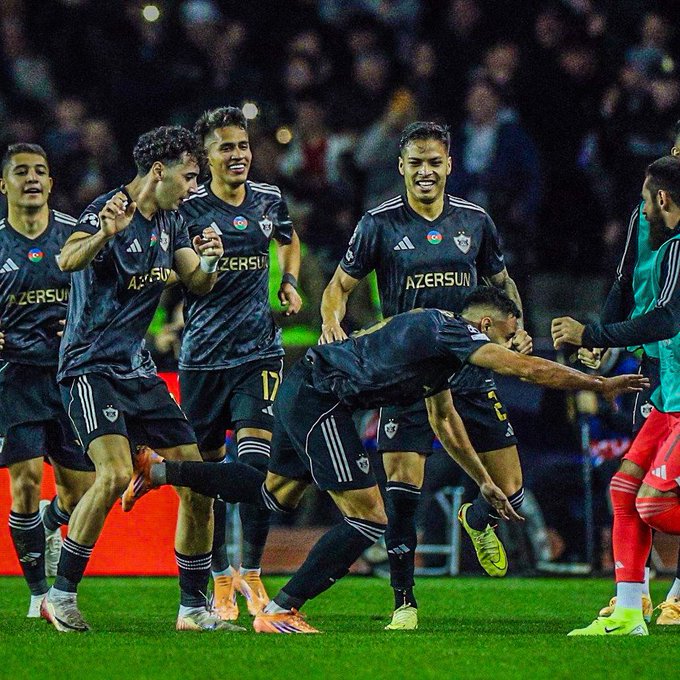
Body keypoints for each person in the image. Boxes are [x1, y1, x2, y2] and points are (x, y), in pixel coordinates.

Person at [123, 286, 647, 634]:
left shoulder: (436, 351)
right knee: (370, 517)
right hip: (321, 399)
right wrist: (598, 384)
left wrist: (484, 481)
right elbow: (526, 370)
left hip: (308, 390)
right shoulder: (453, 330)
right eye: (508, 334)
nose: (511, 345)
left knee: (271, 493)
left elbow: (445, 423)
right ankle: (282, 609)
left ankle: (158, 470)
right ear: (487, 323)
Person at [320, 121, 530, 630]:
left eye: (434, 162)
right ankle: (404, 602)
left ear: (449, 164)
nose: (425, 171)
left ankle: (475, 519)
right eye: (415, 162)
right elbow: (338, 287)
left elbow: (502, 283)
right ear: (401, 166)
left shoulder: (475, 221)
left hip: (469, 368)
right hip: (406, 372)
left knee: (511, 488)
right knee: (401, 488)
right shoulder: (379, 223)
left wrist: (517, 330)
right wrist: (331, 324)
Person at [40, 126, 240, 634]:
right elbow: (66, 258)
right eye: (189, 176)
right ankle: (60, 597)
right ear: (158, 171)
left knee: (197, 481)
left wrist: (211, 259)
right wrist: (104, 234)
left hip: (138, 371)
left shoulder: (172, 220)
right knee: (111, 475)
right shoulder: (108, 209)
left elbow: (197, 282)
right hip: (90, 368)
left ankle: (193, 610)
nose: (194, 187)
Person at [179, 106, 302, 620]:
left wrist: (288, 281)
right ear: (205, 156)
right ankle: (219, 578)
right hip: (203, 360)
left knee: (255, 467)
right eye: (225, 147)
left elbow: (289, 239)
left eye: (243, 145)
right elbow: (184, 278)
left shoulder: (268, 198)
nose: (238, 155)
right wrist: (203, 263)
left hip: (259, 353)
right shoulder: (187, 209)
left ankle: (250, 574)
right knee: (204, 478)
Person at [552, 156, 680, 636]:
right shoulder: (662, 243)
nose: (641, 209)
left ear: (661, 198)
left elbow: (666, 318)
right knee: (625, 489)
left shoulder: (676, 249)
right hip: (667, 389)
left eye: (646, 201)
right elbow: (632, 288)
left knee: (654, 504)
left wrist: (593, 334)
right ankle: (630, 611)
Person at [0, 143, 94, 617]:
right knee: (27, 480)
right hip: (14, 376)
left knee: (83, 491)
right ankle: (39, 594)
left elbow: (103, 296)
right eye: (21, 172)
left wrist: (82, 324)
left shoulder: (74, 235)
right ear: (4, 185)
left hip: (68, 374)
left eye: (40, 171)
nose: (32, 178)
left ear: (52, 183)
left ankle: (47, 522)